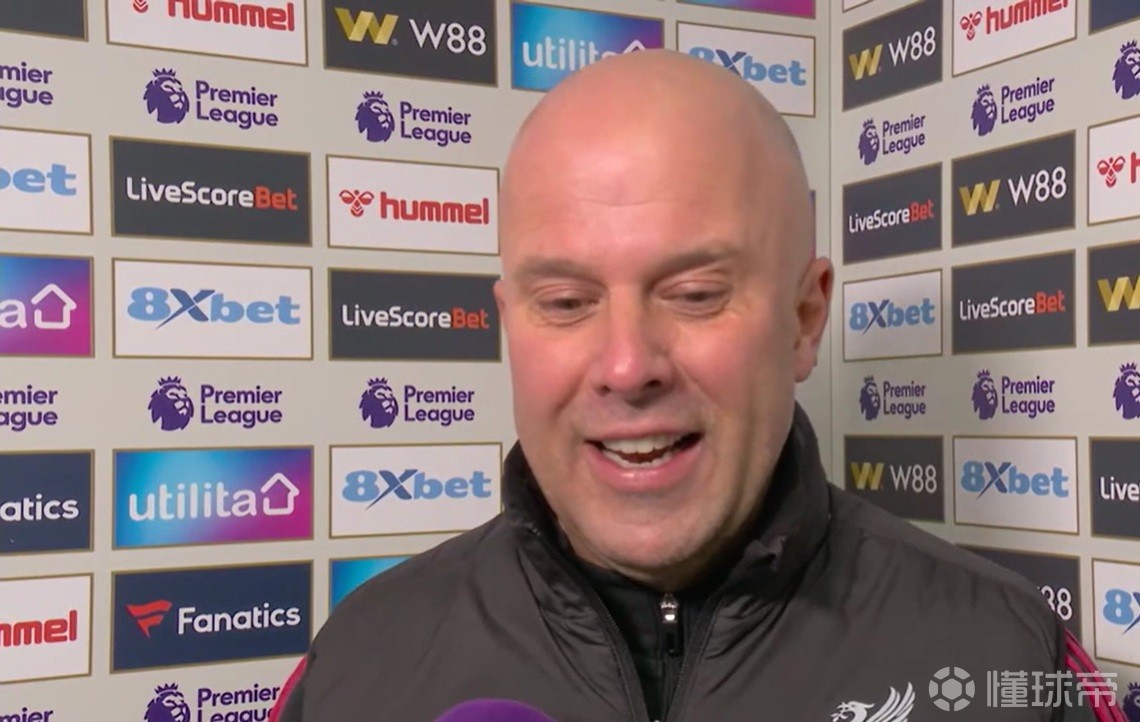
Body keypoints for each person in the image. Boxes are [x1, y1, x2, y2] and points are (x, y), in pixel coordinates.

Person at [271, 50, 1124, 721]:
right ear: (509, 326)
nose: (626, 365)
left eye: (694, 294)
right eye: (565, 302)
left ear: (803, 318)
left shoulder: (1007, 655)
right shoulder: (358, 666)